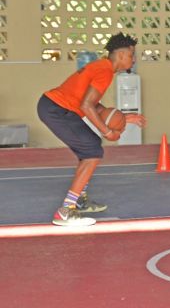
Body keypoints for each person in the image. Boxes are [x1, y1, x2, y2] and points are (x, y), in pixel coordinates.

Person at [37, 33, 146, 226]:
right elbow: (87, 106)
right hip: (56, 109)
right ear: (120, 55)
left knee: (91, 146)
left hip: (55, 107)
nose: (134, 59)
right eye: (132, 55)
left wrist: (124, 119)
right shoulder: (104, 71)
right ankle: (66, 211)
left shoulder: (102, 68)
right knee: (92, 151)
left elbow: (92, 104)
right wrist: (107, 131)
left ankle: (79, 199)